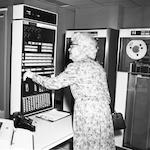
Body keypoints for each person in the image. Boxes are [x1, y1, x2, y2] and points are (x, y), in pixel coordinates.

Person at [23, 32, 115, 150]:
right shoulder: (97, 66)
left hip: (87, 112)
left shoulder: (76, 66)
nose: (69, 49)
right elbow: (107, 95)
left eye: (72, 45)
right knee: (101, 144)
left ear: (82, 48)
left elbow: (53, 84)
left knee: (85, 145)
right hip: (103, 112)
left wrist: (32, 75)